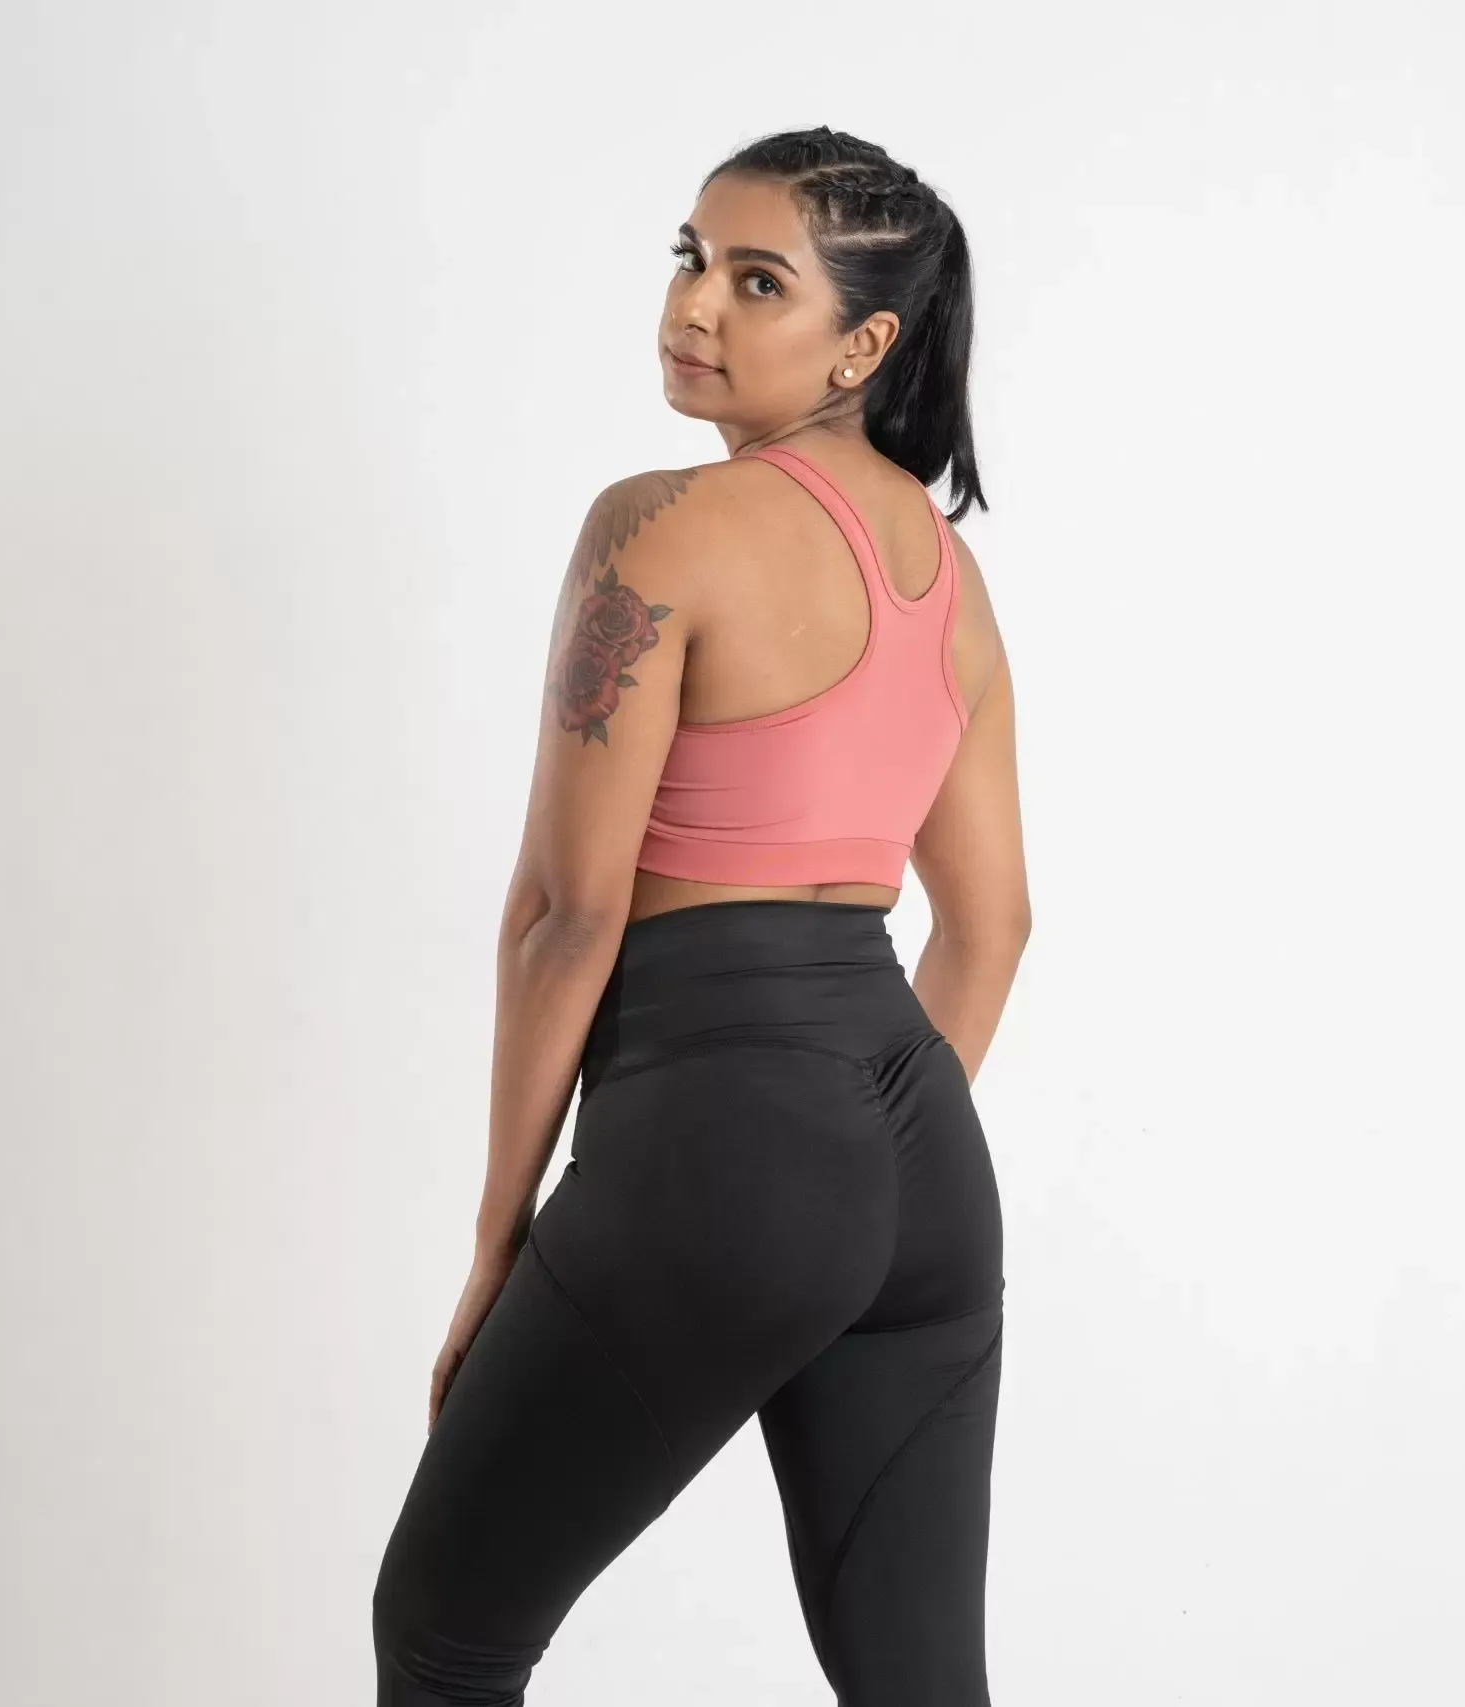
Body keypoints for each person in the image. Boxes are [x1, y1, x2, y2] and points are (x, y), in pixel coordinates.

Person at [371, 125, 1030, 1707]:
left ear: (863, 344)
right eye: (690, 258)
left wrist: (498, 1244)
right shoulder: (951, 581)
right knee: (921, 1688)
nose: (696, 305)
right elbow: (994, 925)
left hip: (724, 1135)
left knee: (445, 1639)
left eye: (757, 282)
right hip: (925, 1168)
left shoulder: (659, 526)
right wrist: (856, 1164)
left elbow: (567, 912)